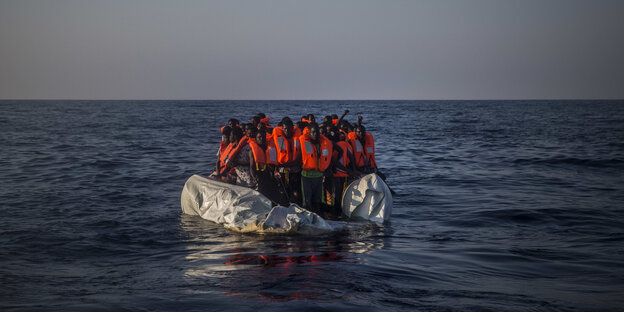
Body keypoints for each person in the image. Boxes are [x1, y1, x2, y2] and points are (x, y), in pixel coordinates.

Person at [297, 123, 334, 214]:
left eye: (317, 132)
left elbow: (328, 159)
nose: (315, 134)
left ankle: (318, 218)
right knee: (307, 201)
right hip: (307, 176)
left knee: (318, 200)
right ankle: (307, 219)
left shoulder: (324, 143)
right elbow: (298, 159)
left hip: (319, 177)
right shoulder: (304, 144)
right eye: (313, 132)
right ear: (309, 134)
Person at [248, 129, 287, 205]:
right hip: (260, 175)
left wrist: (276, 172)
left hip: (271, 175)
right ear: (256, 139)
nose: (261, 139)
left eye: (263, 137)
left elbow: (275, 163)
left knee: (274, 196)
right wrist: (255, 177)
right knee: (263, 197)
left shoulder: (271, 148)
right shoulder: (252, 151)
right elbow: (252, 167)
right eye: (259, 137)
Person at [273, 117, 302, 205]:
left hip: (295, 170)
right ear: (282, 128)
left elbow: (298, 159)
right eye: (285, 128)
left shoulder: (299, 138)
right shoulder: (277, 139)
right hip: (282, 171)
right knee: (283, 192)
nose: (287, 130)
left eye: (289, 128)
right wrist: (276, 169)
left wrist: (284, 165)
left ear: (292, 128)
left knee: (296, 193)